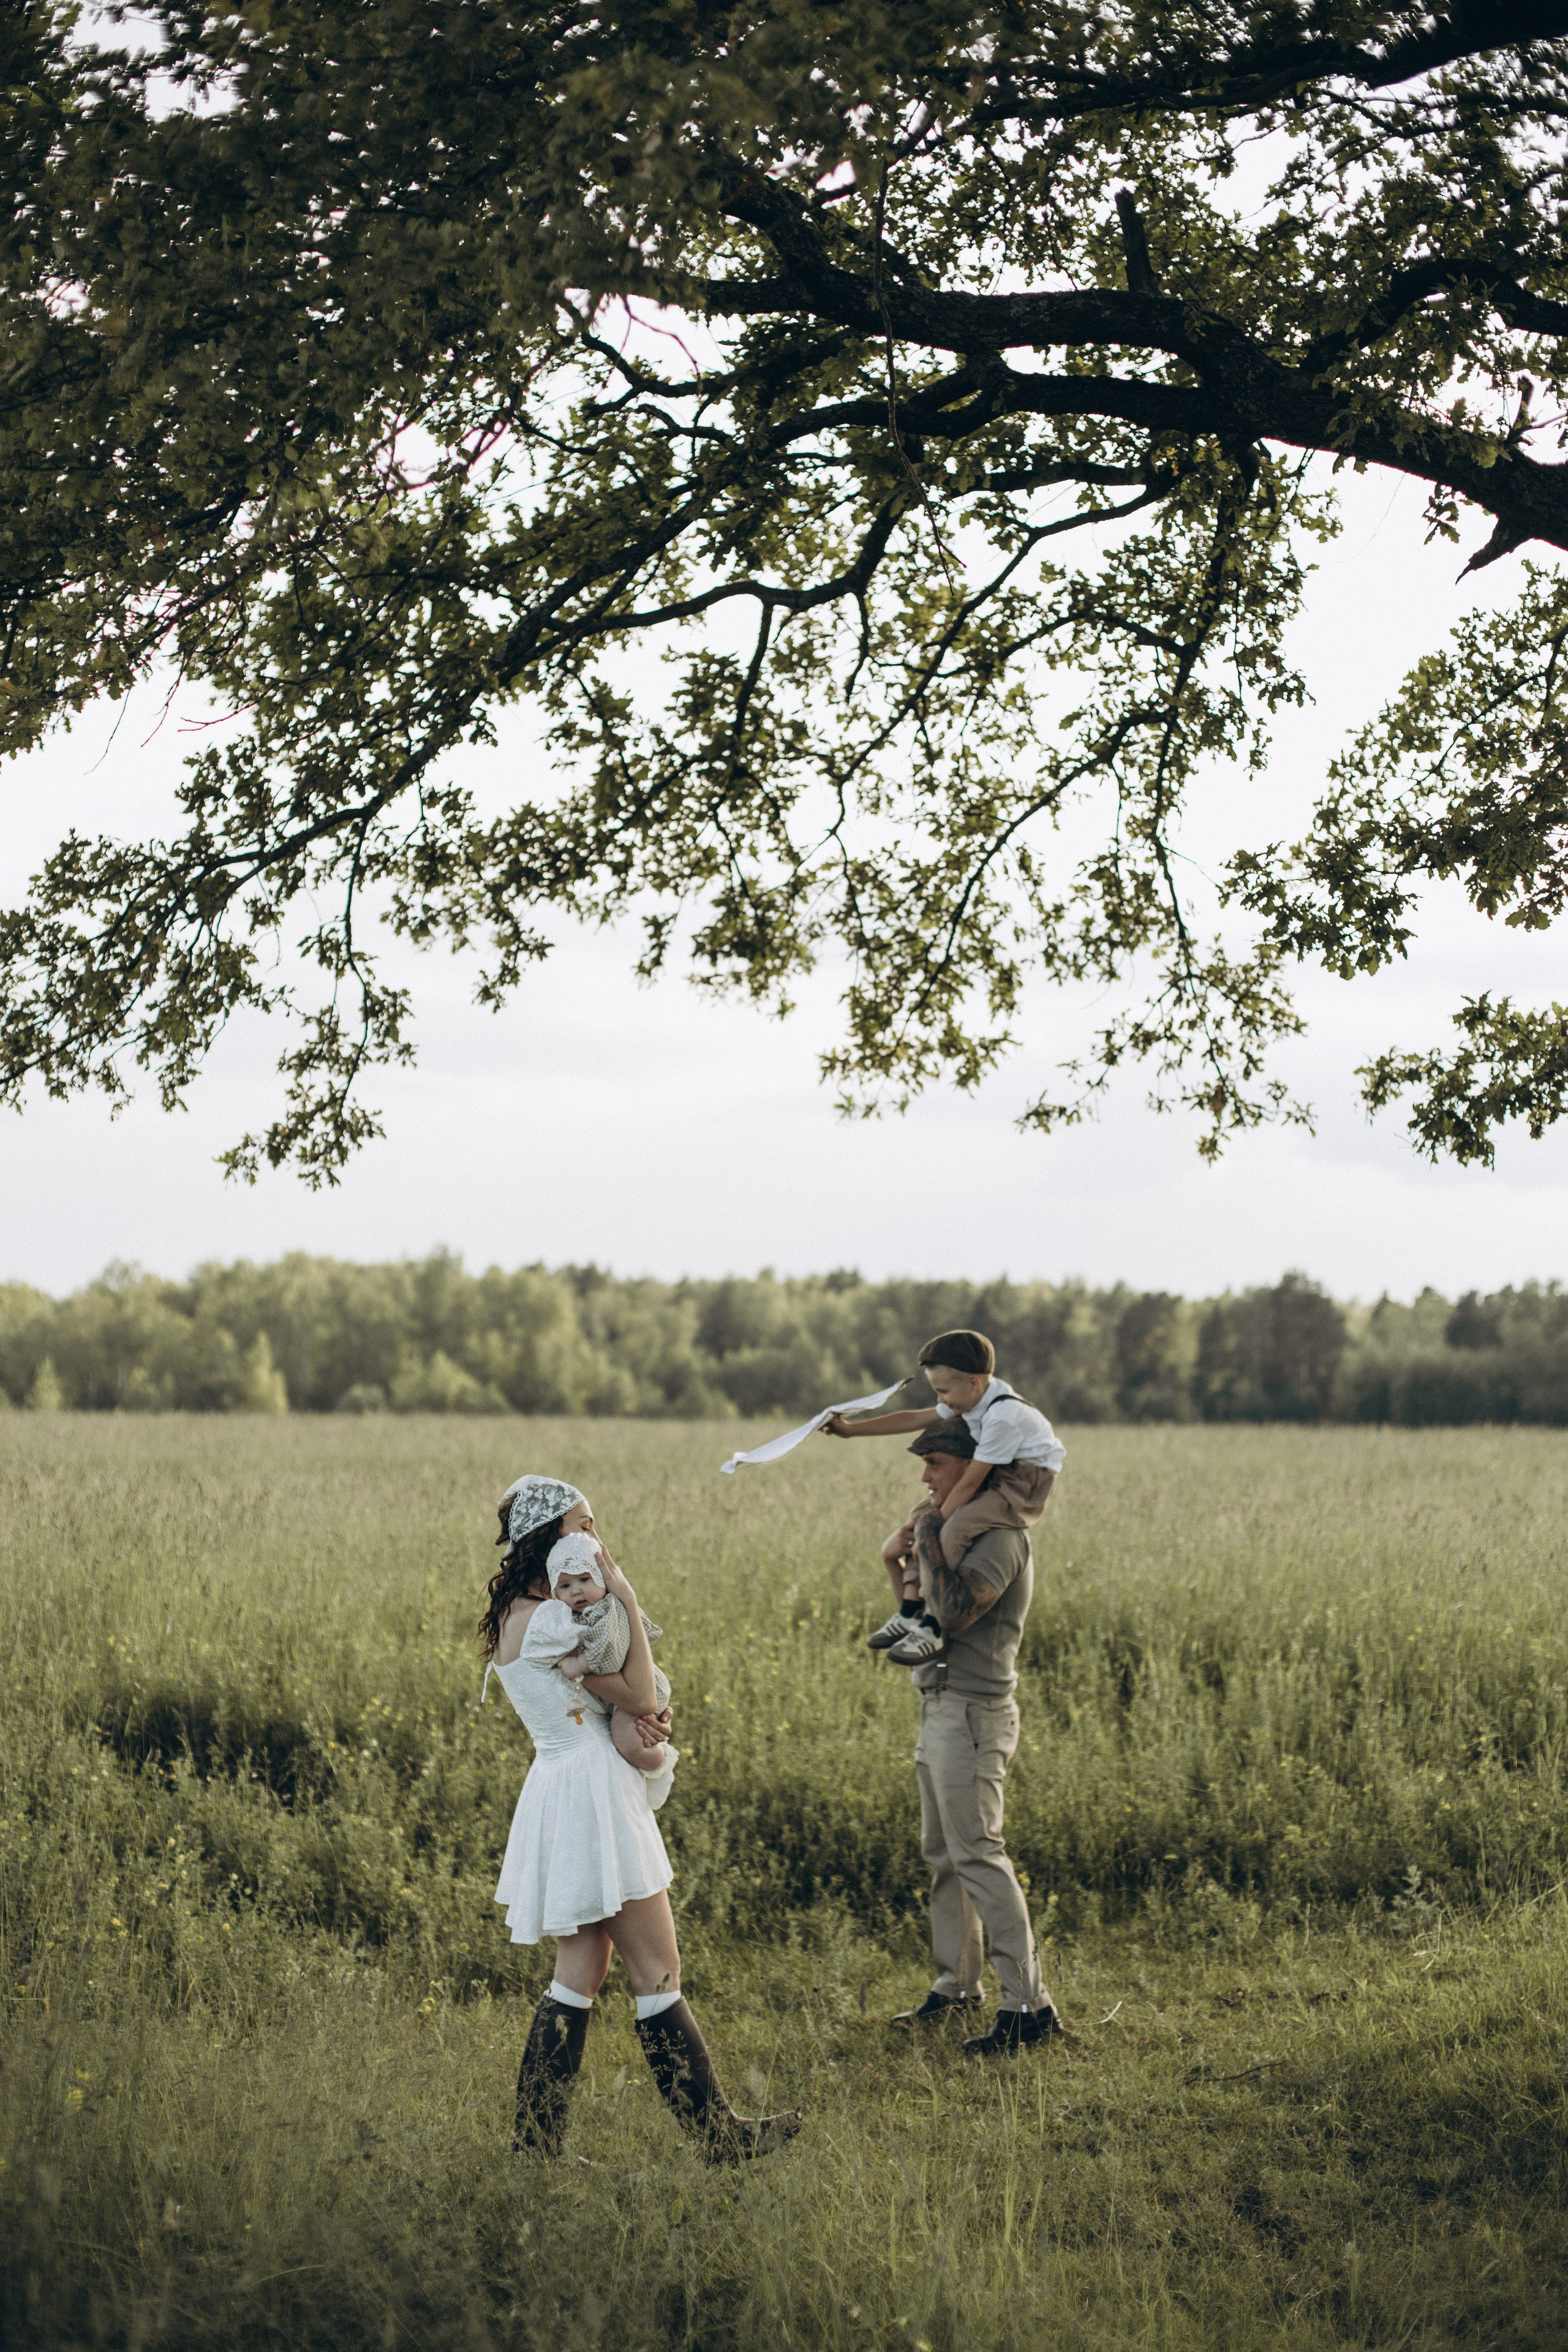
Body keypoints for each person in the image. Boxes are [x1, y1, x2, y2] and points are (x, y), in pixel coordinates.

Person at [481, 1474, 800, 2162]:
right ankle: (719, 2141)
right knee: (656, 1969)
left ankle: (535, 2150)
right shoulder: (553, 1619)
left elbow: (625, 1699)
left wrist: (643, 1710)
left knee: (580, 1971)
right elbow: (631, 1688)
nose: (595, 1537)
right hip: (591, 1789)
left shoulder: (524, 1611)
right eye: (584, 1524)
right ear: (553, 1536)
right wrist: (625, 1597)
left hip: (565, 1785)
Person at [878, 1425, 1065, 2055]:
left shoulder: (1000, 1541)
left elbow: (954, 1612)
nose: (927, 1478)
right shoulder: (957, 1532)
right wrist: (893, 1562)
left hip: (973, 1716)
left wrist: (927, 1535)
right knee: (944, 1855)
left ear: (974, 1470)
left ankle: (1029, 2006)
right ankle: (957, 1986)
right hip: (937, 1707)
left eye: (936, 1465)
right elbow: (919, 1620)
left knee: (979, 1855)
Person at [824, 1329, 1065, 1667]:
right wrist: (851, 1431)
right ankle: (910, 1610)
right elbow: (914, 1419)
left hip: (1024, 1481)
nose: (941, 1400)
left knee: (952, 1528)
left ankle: (933, 1625)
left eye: (943, 1391)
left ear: (975, 1383)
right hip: (998, 1469)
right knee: (920, 1513)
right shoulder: (968, 1398)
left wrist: (937, 1524)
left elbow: (968, 1485)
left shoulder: (1004, 1417)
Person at [543, 1526, 678, 1804]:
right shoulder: (578, 1615)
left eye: (584, 1579)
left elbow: (611, 1656)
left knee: (627, 1738)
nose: (577, 1590)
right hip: (621, 1695)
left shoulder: (608, 1610)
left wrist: (578, 1664)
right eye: (565, 1586)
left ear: (603, 1579)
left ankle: (660, 1764)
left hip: (641, 1684)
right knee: (627, 1735)